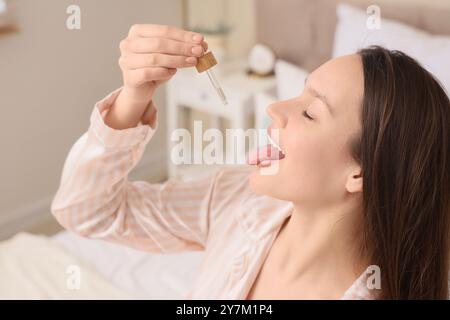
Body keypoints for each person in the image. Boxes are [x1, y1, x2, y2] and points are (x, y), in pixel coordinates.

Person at [51, 24, 450, 299]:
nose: (276, 108)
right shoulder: (240, 200)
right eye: (299, 91)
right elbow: (88, 211)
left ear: (360, 172)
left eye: (311, 112)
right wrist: (131, 99)